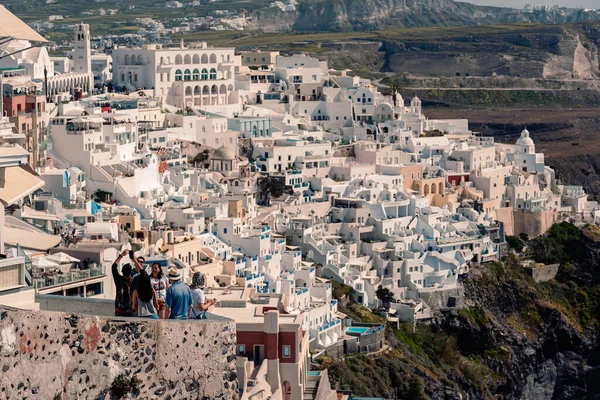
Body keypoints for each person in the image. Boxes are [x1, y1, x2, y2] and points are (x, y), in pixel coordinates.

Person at [112, 250, 141, 317]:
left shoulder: (119, 280)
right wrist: (134, 260)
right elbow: (143, 272)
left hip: (119, 310)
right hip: (131, 310)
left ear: (122, 271)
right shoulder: (134, 280)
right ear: (131, 272)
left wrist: (121, 255)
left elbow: (113, 267)